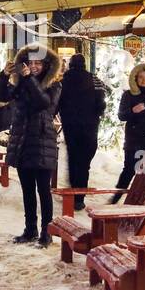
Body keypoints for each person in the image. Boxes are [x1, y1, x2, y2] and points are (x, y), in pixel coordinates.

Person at [5, 43, 63, 247]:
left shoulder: (54, 85)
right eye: (30, 62)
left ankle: (47, 232)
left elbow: (43, 103)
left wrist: (29, 78)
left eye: (38, 63)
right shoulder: (22, 82)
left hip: (41, 142)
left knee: (43, 191)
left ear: (46, 65)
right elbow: (2, 98)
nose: (34, 66)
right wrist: (5, 77)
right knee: (27, 190)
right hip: (22, 142)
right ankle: (30, 229)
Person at [56, 53, 106, 208]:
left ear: (71, 65)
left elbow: (57, 103)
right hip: (90, 127)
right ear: (84, 64)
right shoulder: (95, 80)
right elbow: (102, 104)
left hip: (71, 126)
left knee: (73, 158)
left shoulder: (63, 82)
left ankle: (74, 193)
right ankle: (79, 198)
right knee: (84, 162)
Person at [112, 61, 145, 202]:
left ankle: (142, 200)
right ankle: (116, 197)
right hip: (134, 141)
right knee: (128, 169)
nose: (144, 80)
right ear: (135, 78)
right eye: (140, 77)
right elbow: (121, 115)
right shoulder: (128, 95)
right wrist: (133, 111)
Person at [0, 59, 16, 131]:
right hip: (7, 126)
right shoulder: (10, 87)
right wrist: (4, 75)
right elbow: (0, 94)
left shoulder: (30, 84)